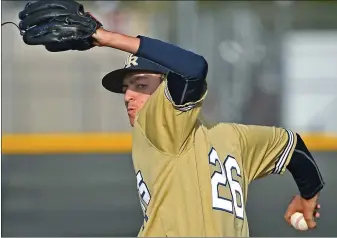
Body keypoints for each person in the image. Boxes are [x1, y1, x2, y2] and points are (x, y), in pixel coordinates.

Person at [17, 1, 325, 236]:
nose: (128, 96)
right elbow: (294, 149)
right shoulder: (223, 136)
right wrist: (308, 195)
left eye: (140, 85)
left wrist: (106, 36)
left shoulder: (171, 125)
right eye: (126, 88)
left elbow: (192, 68)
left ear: (169, 88)